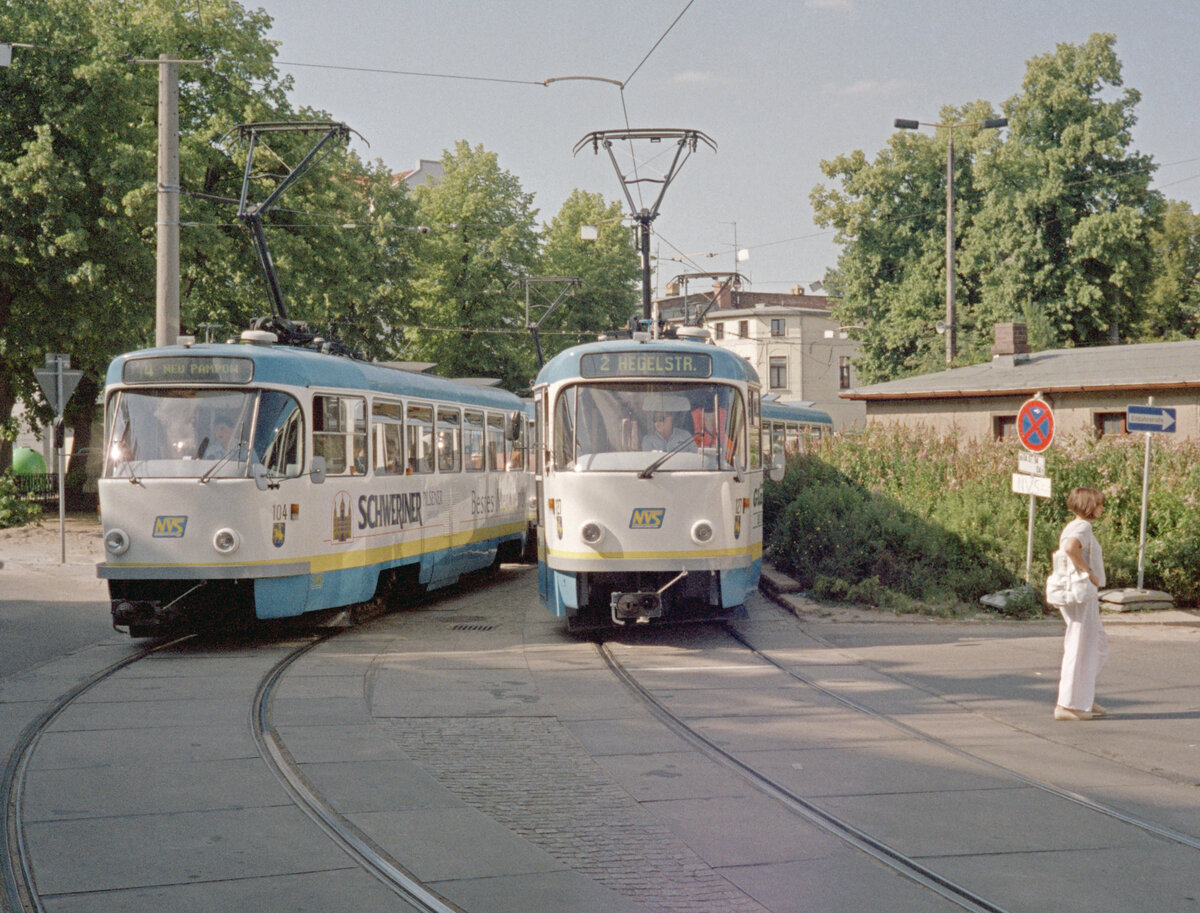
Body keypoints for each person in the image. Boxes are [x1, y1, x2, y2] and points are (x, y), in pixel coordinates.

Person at [1047, 486, 1108, 721]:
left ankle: (1083, 695)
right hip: (1080, 594)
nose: (1102, 508)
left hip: (1076, 594)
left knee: (1098, 643)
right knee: (1080, 645)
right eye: (1099, 504)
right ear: (1089, 506)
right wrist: (1089, 571)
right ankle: (1068, 704)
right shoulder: (1082, 526)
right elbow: (1071, 548)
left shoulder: (1075, 525)